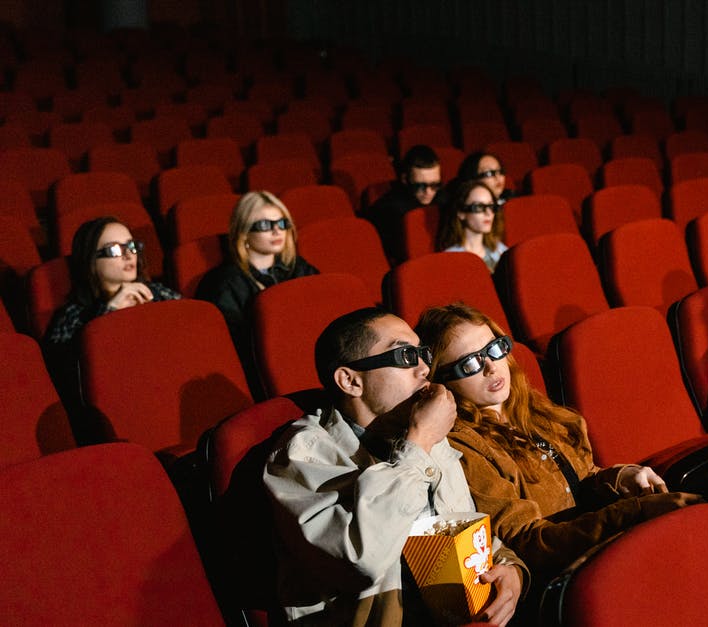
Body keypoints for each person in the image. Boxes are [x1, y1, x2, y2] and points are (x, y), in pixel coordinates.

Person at [263, 307, 526, 626]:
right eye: (404, 356)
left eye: (422, 354)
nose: (425, 369)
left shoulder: (422, 432)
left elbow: (463, 526)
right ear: (350, 381)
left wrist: (510, 569)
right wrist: (418, 444)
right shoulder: (301, 455)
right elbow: (362, 560)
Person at [414, 303, 700, 589]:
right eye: (470, 364)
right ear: (443, 381)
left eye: (493, 349)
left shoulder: (527, 405)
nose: (491, 367)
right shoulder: (462, 443)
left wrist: (620, 476)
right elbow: (528, 542)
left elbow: (581, 479)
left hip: (605, 551)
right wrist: (634, 513)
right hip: (570, 580)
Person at [196, 191, 317, 384]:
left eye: (282, 223)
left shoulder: (300, 267)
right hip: (259, 372)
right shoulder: (224, 282)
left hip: (307, 356)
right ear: (243, 233)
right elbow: (232, 346)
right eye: (264, 225)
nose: (277, 231)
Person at [45, 216, 179, 347]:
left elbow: (189, 325)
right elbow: (64, 362)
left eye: (131, 245)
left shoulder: (157, 292)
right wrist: (110, 311)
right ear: (91, 260)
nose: (129, 255)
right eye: (114, 250)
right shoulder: (74, 315)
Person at [363, 145, 442, 260]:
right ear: (405, 179)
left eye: (435, 185)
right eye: (420, 186)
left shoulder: (444, 198)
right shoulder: (387, 210)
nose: (428, 192)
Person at [436, 180, 508, 272]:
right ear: (461, 213)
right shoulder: (450, 258)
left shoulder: (499, 249)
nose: (488, 213)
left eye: (491, 206)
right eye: (479, 207)